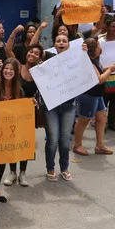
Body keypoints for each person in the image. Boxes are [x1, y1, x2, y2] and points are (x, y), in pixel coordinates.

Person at [4, 43, 44, 187]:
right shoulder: (18, 67)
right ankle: (12, 172)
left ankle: (22, 173)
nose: (32, 55)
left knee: (25, 143)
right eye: (30, 52)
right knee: (12, 142)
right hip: (12, 110)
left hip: (28, 112)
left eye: (36, 53)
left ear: (40, 57)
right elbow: (8, 50)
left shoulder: (41, 72)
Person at [73, 39, 115, 155]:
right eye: (99, 46)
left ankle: (100, 145)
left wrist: (108, 68)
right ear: (94, 49)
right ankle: (77, 145)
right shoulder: (88, 61)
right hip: (88, 95)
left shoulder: (95, 59)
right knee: (83, 120)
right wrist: (110, 70)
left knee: (101, 117)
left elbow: (99, 70)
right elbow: (99, 80)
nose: (101, 48)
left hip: (97, 95)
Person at [43, 34, 76, 181]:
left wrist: (84, 50)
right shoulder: (48, 58)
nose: (61, 43)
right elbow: (32, 48)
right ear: (54, 44)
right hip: (51, 105)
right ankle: (50, 168)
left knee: (65, 139)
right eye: (58, 41)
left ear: (69, 44)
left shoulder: (76, 59)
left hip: (69, 105)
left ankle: (64, 168)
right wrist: (41, 29)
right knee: (52, 139)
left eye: (64, 41)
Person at [0, 57, 24, 202]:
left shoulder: (19, 91)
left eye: (11, 69)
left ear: (16, 73)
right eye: (6, 68)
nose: (8, 71)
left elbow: (22, 111)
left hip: (9, 131)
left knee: (2, 161)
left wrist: (30, 104)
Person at [99, 18, 115, 133]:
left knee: (114, 103)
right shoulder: (100, 41)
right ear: (107, 27)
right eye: (112, 26)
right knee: (103, 104)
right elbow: (95, 58)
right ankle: (101, 124)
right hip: (104, 77)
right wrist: (107, 68)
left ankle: (112, 123)